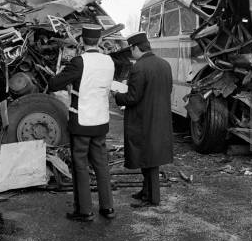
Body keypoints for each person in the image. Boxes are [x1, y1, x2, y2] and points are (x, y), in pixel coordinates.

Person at [48, 24, 115, 221]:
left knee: (80, 165)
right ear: (100, 41)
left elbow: (54, 84)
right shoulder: (109, 61)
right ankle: (108, 208)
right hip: (101, 121)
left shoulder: (79, 62)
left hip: (82, 121)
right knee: (102, 164)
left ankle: (84, 210)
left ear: (81, 42)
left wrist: (62, 72)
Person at [113, 32, 173, 207]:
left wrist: (117, 95)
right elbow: (165, 90)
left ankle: (152, 198)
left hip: (143, 119)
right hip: (160, 118)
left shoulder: (139, 67)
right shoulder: (164, 64)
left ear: (135, 47)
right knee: (150, 156)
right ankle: (146, 191)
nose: (130, 53)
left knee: (149, 159)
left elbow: (132, 97)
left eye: (130, 49)